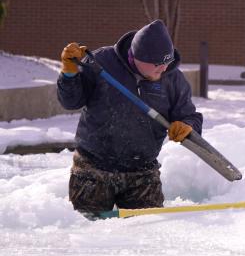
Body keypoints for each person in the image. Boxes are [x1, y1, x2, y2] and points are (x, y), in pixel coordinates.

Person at [57, 19, 202, 216]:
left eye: (167, 62)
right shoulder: (102, 63)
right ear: (136, 57)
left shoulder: (173, 79)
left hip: (142, 172)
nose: (164, 69)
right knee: (87, 234)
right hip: (92, 168)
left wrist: (187, 125)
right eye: (158, 64)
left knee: (148, 232)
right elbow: (71, 102)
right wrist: (69, 76)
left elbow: (189, 115)